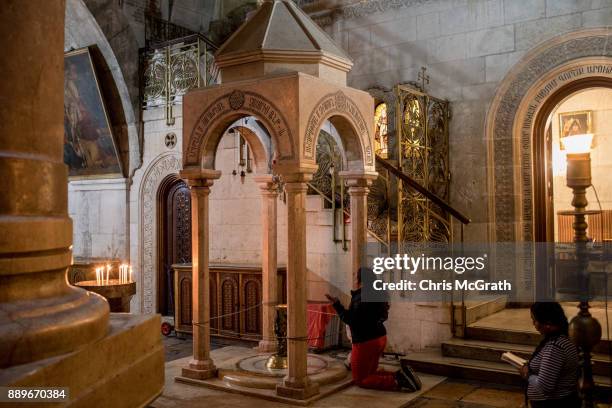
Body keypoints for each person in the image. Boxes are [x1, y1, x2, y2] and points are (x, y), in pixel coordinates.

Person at [325, 267, 420, 392]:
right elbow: (381, 316)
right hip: (379, 337)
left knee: (361, 379)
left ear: (360, 279)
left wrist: (337, 305)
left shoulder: (362, 297)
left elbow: (352, 320)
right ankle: (400, 376)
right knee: (371, 372)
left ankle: (396, 381)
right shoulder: (377, 291)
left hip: (366, 342)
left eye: (355, 276)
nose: (353, 279)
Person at [519, 302, 580, 407]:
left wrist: (527, 374)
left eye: (535, 320)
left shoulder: (556, 347)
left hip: (552, 403)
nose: (534, 324)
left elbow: (545, 386)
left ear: (547, 322)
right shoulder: (563, 338)